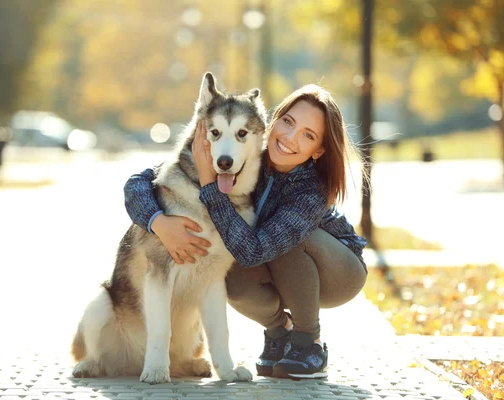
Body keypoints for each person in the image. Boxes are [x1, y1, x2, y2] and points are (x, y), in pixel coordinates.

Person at [124, 84, 368, 379]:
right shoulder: (245, 148)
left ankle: (309, 344)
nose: (290, 138)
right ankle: (281, 333)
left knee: (283, 242)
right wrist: (158, 222)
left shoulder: (311, 190)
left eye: (308, 135)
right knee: (228, 271)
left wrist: (209, 183)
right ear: (272, 121)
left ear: (318, 151)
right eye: (288, 122)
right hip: (279, 264)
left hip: (337, 272)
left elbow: (255, 250)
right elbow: (139, 181)